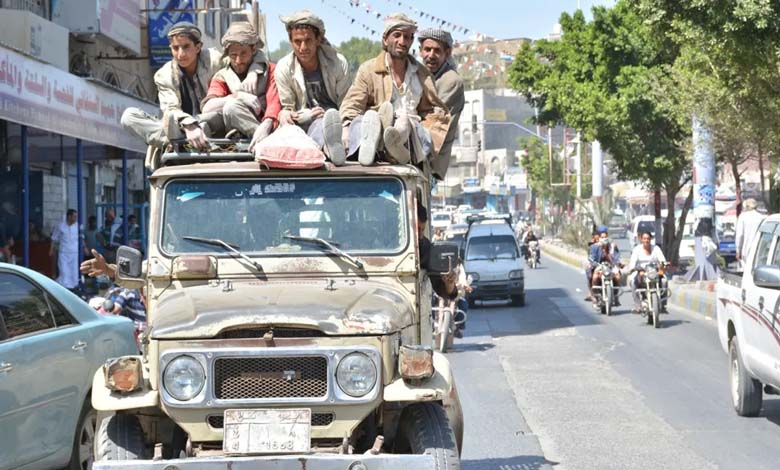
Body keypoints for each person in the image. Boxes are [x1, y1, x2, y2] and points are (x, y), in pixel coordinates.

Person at [338, 13, 451, 166]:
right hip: (376, 128)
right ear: (385, 39)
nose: (402, 42)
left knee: (405, 122)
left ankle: (395, 146)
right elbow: (353, 104)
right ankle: (376, 146)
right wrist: (345, 128)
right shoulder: (369, 70)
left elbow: (433, 112)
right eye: (397, 35)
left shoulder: (422, 75)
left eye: (407, 37)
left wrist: (427, 130)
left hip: (412, 137)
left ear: (411, 41)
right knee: (363, 120)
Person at [121, 22, 225, 152]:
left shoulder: (215, 60)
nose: (181, 54)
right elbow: (171, 109)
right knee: (128, 117)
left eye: (186, 47)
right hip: (181, 128)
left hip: (214, 121)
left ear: (198, 47)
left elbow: (241, 67)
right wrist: (189, 125)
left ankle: (186, 141)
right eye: (175, 48)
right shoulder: (164, 75)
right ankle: (176, 143)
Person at [275, 10, 350, 163]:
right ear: (291, 41)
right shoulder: (283, 68)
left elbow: (347, 103)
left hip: (338, 120)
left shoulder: (338, 63)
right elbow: (288, 108)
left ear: (318, 39)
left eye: (308, 40)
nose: (303, 47)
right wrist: (303, 115)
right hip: (306, 124)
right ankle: (329, 149)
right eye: (297, 42)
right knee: (317, 125)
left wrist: (343, 124)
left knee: (358, 123)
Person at [201, 22, 280, 149]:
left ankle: (267, 144)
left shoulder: (271, 70)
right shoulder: (222, 76)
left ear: (253, 49)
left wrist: (266, 125)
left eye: (243, 54)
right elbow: (207, 107)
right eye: (233, 55)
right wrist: (238, 96)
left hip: (266, 128)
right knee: (222, 111)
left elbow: (274, 104)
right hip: (231, 133)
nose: (238, 61)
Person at [418, 28, 464, 179]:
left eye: (437, 51)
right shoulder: (421, 74)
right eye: (427, 50)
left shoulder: (451, 81)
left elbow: (431, 117)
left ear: (447, 53)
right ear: (420, 51)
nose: (431, 55)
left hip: (431, 161)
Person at [417, 202, 458, 301]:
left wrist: (449, 284)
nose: (420, 236)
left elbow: (440, 286)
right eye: (417, 230)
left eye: (422, 230)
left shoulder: (425, 247)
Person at [627, 231, 668, 313]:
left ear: (651, 239)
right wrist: (632, 268)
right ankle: (638, 305)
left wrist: (664, 264)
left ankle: (663, 304)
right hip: (641, 272)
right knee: (633, 282)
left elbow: (662, 260)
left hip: (654, 272)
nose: (646, 240)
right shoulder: (637, 249)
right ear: (641, 239)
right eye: (644, 239)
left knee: (664, 281)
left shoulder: (656, 248)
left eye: (648, 239)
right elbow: (633, 262)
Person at [50, 209, 83, 290]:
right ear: (69, 216)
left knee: (74, 272)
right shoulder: (60, 226)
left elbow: (81, 238)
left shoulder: (77, 226)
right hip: (63, 253)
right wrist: (51, 250)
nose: (75, 218)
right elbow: (54, 238)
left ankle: (74, 288)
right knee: (64, 271)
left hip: (74, 253)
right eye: (74, 216)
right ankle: (64, 288)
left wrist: (84, 248)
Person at [588, 232, 622, 307]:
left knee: (618, 276)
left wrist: (619, 263)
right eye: (602, 237)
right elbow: (591, 258)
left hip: (611, 266)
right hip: (599, 266)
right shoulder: (594, 247)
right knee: (595, 277)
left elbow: (617, 257)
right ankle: (596, 295)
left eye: (605, 237)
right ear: (599, 238)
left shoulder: (612, 247)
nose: (604, 239)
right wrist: (594, 263)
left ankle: (616, 295)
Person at [735, 198, 764, 267]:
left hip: (746, 249)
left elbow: (739, 235)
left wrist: (738, 250)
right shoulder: (761, 217)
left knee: (747, 269)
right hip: (759, 249)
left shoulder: (743, 217)